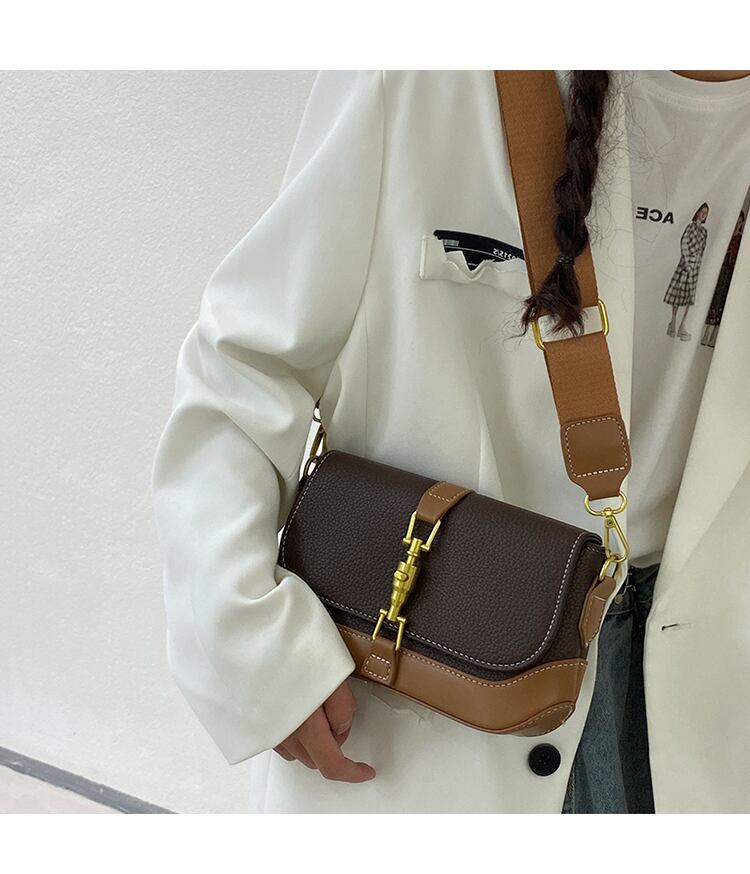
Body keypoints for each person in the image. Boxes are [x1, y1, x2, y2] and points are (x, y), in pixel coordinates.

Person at [152, 70, 750, 814]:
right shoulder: (428, 72)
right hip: (429, 694)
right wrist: (252, 647)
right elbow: (243, 367)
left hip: (703, 712)